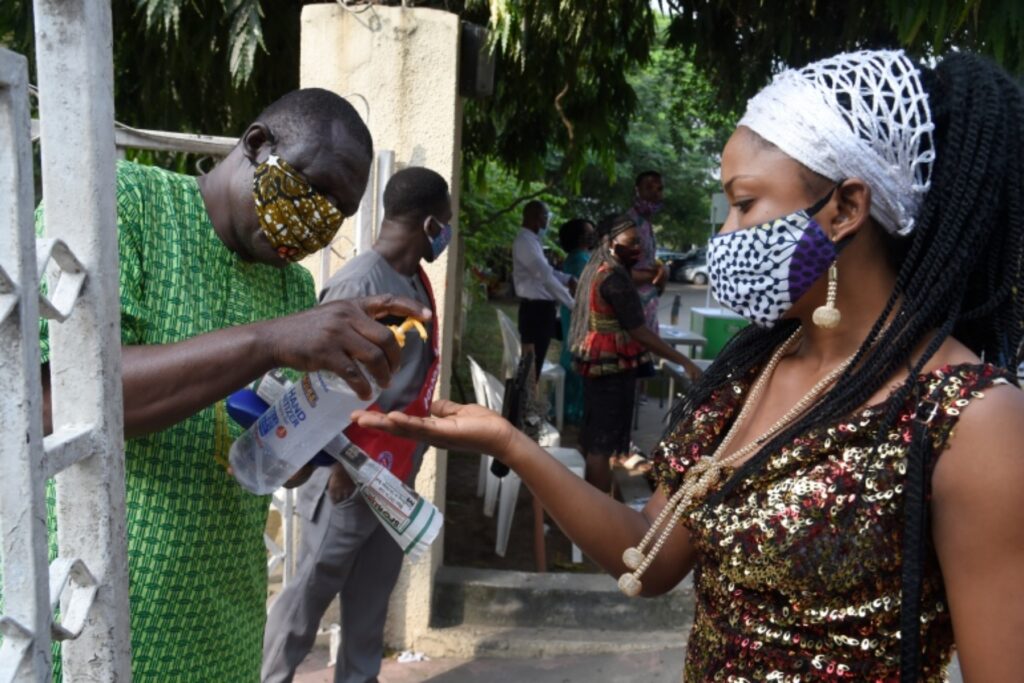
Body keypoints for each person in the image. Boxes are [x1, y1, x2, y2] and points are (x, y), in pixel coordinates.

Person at [352, 50, 1024, 681]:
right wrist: (512, 443)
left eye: (745, 202)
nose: (725, 235)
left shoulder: (969, 419)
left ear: (846, 208)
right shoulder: (750, 373)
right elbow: (650, 555)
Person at [34, 88, 430, 682]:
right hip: (96, 619)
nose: (319, 219)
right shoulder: (126, 204)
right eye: (312, 189)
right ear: (255, 145)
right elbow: (54, 400)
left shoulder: (293, 289)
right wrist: (269, 342)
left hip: (224, 627)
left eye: (339, 212)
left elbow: (275, 465)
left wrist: (325, 412)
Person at [262, 167, 449, 683]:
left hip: (392, 472)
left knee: (369, 606)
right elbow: (315, 385)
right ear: (431, 223)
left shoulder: (412, 279)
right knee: (306, 601)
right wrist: (339, 461)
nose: (448, 233)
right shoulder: (360, 283)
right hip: (348, 474)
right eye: (447, 223)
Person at [569, 215, 702, 493]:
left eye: (639, 242)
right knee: (601, 447)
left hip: (597, 362)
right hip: (612, 368)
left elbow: (642, 277)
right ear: (610, 243)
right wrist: (684, 361)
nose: (638, 249)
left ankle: (592, 501)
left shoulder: (600, 268)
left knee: (595, 437)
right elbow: (640, 331)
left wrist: (659, 274)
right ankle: (599, 512)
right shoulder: (614, 280)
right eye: (631, 243)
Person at [512, 200, 574, 378]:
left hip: (541, 311)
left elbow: (548, 272)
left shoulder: (532, 241)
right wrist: (571, 304)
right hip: (535, 312)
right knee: (531, 369)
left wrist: (568, 279)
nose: (547, 223)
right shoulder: (524, 242)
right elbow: (545, 277)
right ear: (536, 219)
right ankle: (524, 404)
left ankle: (527, 401)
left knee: (533, 367)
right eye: (546, 217)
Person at [557, 217, 596, 424]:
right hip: (580, 317)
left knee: (570, 357)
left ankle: (565, 408)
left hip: (571, 314)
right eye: (588, 232)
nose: (592, 235)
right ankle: (574, 412)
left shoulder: (573, 258)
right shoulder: (581, 260)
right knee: (578, 363)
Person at [626, 171, 668, 334]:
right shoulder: (629, 223)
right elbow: (616, 271)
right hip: (632, 310)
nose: (655, 193)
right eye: (649, 187)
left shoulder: (646, 222)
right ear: (637, 190)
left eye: (659, 189)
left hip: (648, 306)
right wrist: (656, 275)